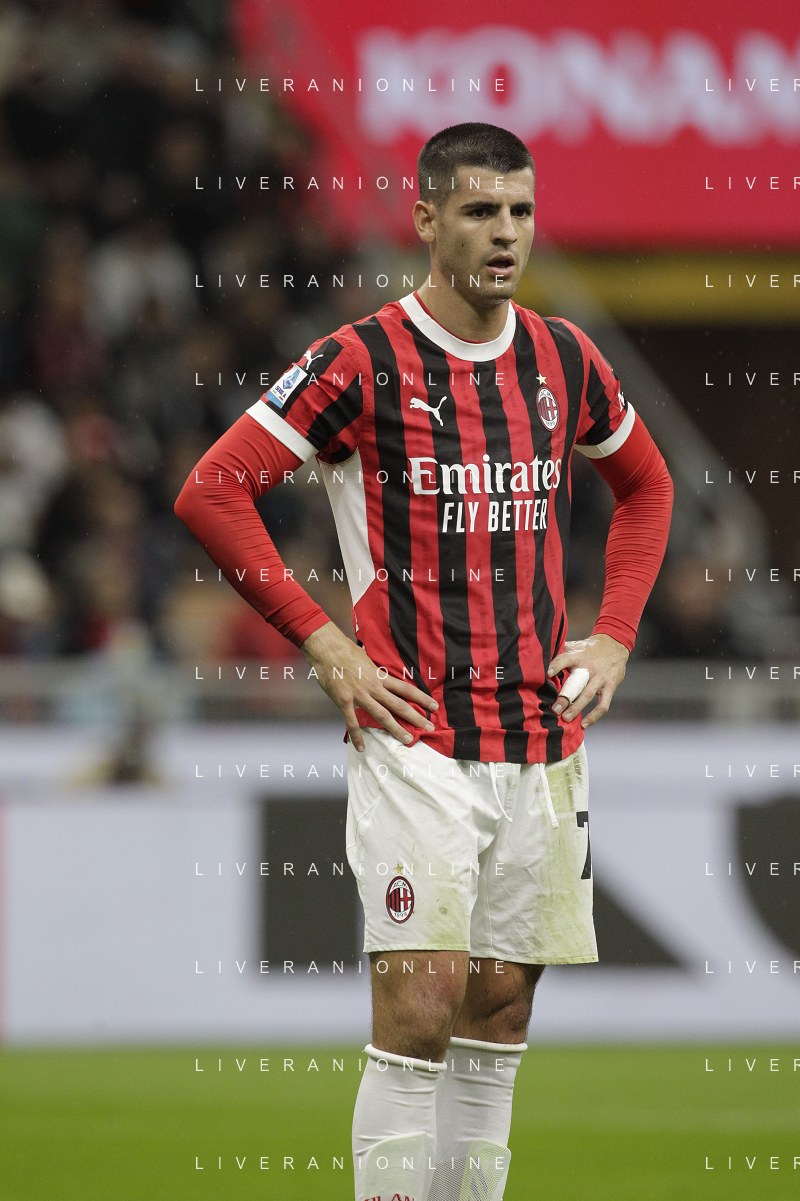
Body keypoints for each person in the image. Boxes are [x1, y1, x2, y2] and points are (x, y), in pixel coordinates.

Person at [175, 122, 673, 1201]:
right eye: (481, 210)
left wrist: (616, 633)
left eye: (521, 211)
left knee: (498, 1012)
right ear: (427, 218)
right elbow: (212, 489)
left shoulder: (563, 357)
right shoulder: (359, 361)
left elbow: (647, 484)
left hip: (540, 739)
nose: (506, 233)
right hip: (416, 735)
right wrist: (323, 643)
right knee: (419, 1005)